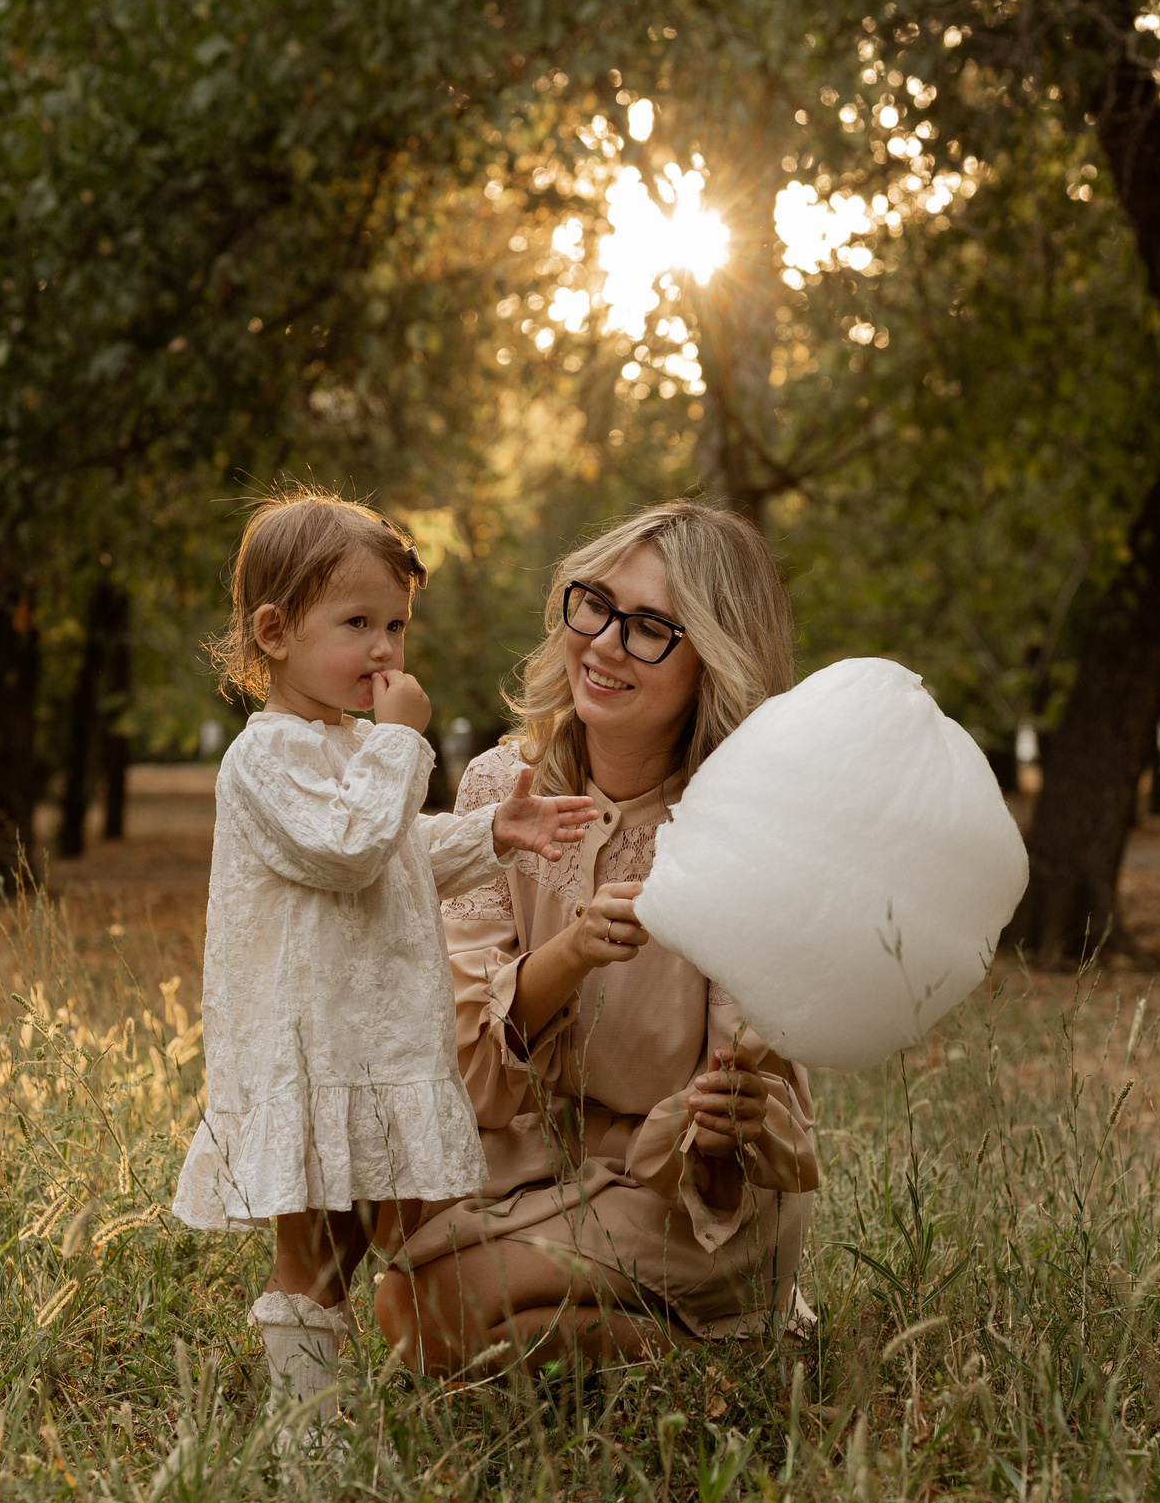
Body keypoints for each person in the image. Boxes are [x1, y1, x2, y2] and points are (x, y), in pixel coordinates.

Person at [169, 489, 597, 1428]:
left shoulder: (356, 748)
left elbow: (389, 859)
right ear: (275, 632)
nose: (385, 650)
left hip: (370, 1039)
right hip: (310, 1048)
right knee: (314, 1246)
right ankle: (303, 1423)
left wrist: (493, 829)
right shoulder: (265, 757)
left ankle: (385, 1370)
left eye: (397, 624)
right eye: (357, 622)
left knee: (365, 1228)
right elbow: (347, 845)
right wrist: (405, 740)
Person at [376, 502, 821, 1375]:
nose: (607, 643)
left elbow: (746, 1078)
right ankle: (665, 1348)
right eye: (596, 605)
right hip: (533, 1142)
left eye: (652, 627)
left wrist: (727, 1119)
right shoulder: (504, 786)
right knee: (399, 1293)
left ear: (714, 661)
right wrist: (573, 951)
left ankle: (730, 1338)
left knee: (438, 1311)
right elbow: (465, 1045)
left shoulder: (745, 829)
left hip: (673, 1186)